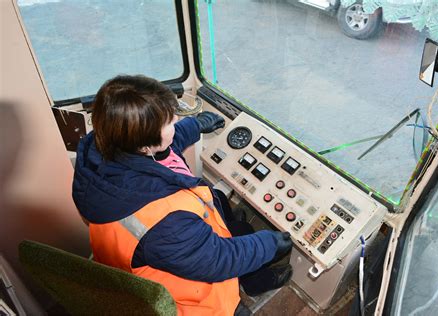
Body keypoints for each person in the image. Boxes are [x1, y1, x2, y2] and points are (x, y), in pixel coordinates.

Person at [72, 75, 293, 316]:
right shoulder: (163, 222)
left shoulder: (109, 149)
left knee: (230, 215)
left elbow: (168, 145)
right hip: (191, 300)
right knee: (246, 259)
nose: (177, 120)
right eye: (169, 121)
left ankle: (252, 280)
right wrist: (270, 244)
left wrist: (196, 126)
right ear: (144, 141)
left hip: (168, 255)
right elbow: (218, 259)